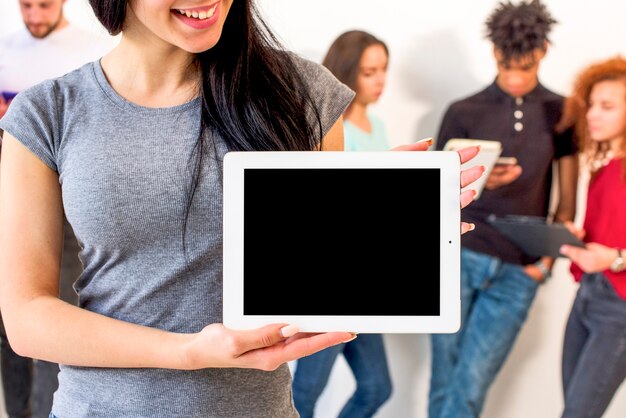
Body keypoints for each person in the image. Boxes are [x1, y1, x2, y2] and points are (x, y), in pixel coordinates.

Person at [0, 0, 482, 416]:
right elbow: (27, 318)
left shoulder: (301, 94)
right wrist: (190, 352)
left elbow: (309, 288)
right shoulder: (47, 113)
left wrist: (368, 229)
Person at [430, 1, 578, 417]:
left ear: (544, 51)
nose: (514, 77)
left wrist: (543, 266)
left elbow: (567, 202)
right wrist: (477, 181)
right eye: (507, 64)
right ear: (494, 52)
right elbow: (430, 197)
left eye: (525, 67)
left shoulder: (563, 113)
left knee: (470, 386)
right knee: (445, 378)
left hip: (519, 269)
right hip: (456, 260)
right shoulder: (462, 112)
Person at [0, 1, 116, 417]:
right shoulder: (5, 48)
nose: (33, 15)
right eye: (25, 5)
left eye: (43, 4)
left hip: (68, 206)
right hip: (9, 193)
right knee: (9, 322)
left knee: (54, 315)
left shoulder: (92, 50)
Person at [291, 30, 392, 418]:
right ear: (345, 74)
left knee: (377, 386)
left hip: (368, 287)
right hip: (331, 287)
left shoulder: (377, 126)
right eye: (370, 72)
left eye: (384, 70)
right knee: (306, 393)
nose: (381, 80)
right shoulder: (325, 128)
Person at [557, 56, 626, 418]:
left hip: (619, 309)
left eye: (607, 107)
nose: (593, 115)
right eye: (592, 106)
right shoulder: (605, 168)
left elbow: (615, 250)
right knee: (573, 409)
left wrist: (615, 258)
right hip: (587, 296)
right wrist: (576, 238)